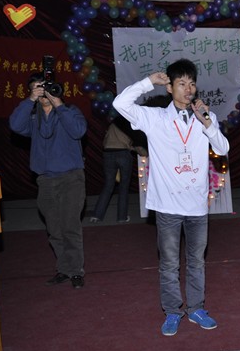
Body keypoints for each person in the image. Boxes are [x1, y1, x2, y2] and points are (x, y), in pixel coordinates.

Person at [112, 59, 230, 336]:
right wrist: (147, 82)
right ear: (170, 88)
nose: (188, 89)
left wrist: (207, 123)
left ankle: (196, 308)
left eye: (192, 83)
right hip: (167, 206)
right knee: (169, 264)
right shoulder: (155, 118)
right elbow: (120, 104)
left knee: (197, 261)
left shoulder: (205, 118)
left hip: (197, 206)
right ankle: (172, 312)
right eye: (182, 83)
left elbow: (223, 149)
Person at [8, 73, 88, 289]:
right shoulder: (33, 117)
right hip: (45, 181)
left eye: (46, 87)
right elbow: (15, 125)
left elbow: (79, 130)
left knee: (70, 227)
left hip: (71, 178)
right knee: (54, 229)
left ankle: (76, 271)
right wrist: (30, 100)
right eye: (37, 88)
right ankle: (64, 269)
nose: (43, 91)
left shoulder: (70, 111)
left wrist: (58, 104)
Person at [90, 116, 146, 223]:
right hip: (123, 154)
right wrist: (144, 153)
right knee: (124, 187)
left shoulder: (113, 124)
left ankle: (96, 215)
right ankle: (121, 217)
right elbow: (138, 145)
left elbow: (104, 142)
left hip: (108, 153)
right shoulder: (131, 124)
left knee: (108, 185)